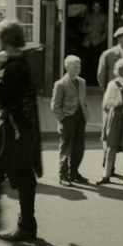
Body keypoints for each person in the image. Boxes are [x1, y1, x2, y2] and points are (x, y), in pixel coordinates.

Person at [0, 19, 43, 242]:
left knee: (21, 175)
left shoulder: (15, 66)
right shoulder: (14, 62)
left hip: (16, 128)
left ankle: (27, 226)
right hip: (8, 126)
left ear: (7, 40)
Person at [96, 57, 123, 185]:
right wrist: (117, 102)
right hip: (117, 117)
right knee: (112, 145)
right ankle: (106, 174)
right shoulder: (114, 84)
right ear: (120, 70)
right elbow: (106, 102)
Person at [51, 55, 89, 187]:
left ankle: (74, 172)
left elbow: (82, 99)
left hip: (80, 117)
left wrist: (85, 112)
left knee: (79, 147)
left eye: (79, 67)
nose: (78, 69)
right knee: (66, 147)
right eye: (74, 67)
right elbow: (55, 105)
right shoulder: (60, 84)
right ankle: (63, 175)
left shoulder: (82, 82)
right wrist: (63, 118)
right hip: (68, 118)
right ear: (67, 67)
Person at [80, 1, 108, 83]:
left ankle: (95, 81)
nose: (96, 8)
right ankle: (87, 80)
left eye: (98, 6)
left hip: (97, 42)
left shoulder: (104, 17)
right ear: (92, 7)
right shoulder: (88, 16)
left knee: (96, 61)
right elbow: (82, 26)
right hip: (87, 42)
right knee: (86, 61)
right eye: (95, 6)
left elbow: (107, 30)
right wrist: (86, 29)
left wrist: (100, 39)